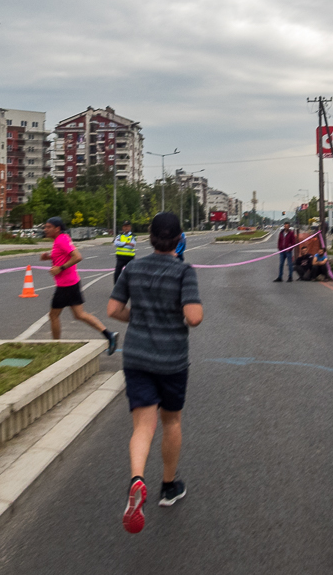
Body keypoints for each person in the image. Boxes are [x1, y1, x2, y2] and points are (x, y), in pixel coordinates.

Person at [106, 212, 203, 534]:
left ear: (149, 237)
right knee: (171, 421)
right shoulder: (183, 271)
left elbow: (113, 310)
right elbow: (194, 317)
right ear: (179, 239)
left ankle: (137, 480)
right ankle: (168, 486)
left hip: (136, 358)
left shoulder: (132, 268)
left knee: (142, 426)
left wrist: (140, 316)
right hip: (171, 360)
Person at [39, 217, 118, 352]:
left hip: (66, 285)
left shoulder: (62, 239)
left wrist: (60, 268)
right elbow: (62, 255)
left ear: (57, 229)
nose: (45, 229)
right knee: (80, 315)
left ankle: (56, 346)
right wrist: (50, 257)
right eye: (45, 227)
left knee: (53, 316)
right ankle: (109, 335)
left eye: (48, 227)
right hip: (71, 283)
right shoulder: (60, 239)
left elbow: (77, 256)